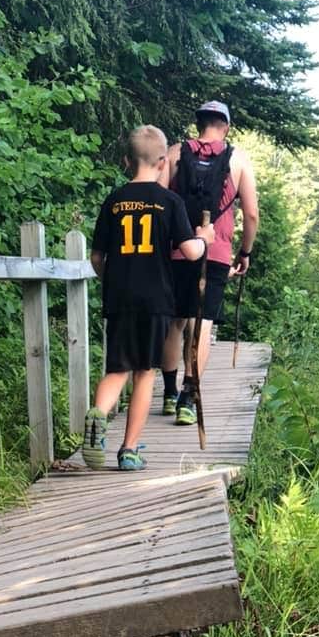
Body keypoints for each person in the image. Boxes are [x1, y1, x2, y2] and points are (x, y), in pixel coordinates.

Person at [82, 124, 215, 472]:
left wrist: (111, 279)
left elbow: (97, 258)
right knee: (144, 373)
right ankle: (128, 451)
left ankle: (98, 414)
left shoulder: (113, 201)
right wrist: (205, 238)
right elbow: (188, 252)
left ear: (126, 161)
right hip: (156, 298)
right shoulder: (169, 202)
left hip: (120, 297)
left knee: (118, 368)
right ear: (161, 162)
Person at [161, 100, 259, 424]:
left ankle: (168, 393)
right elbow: (252, 214)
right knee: (202, 323)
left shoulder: (175, 153)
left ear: (199, 122)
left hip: (177, 248)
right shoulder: (238, 159)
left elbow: (158, 201)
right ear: (226, 126)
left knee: (175, 321)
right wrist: (244, 253)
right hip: (215, 252)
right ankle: (189, 398)